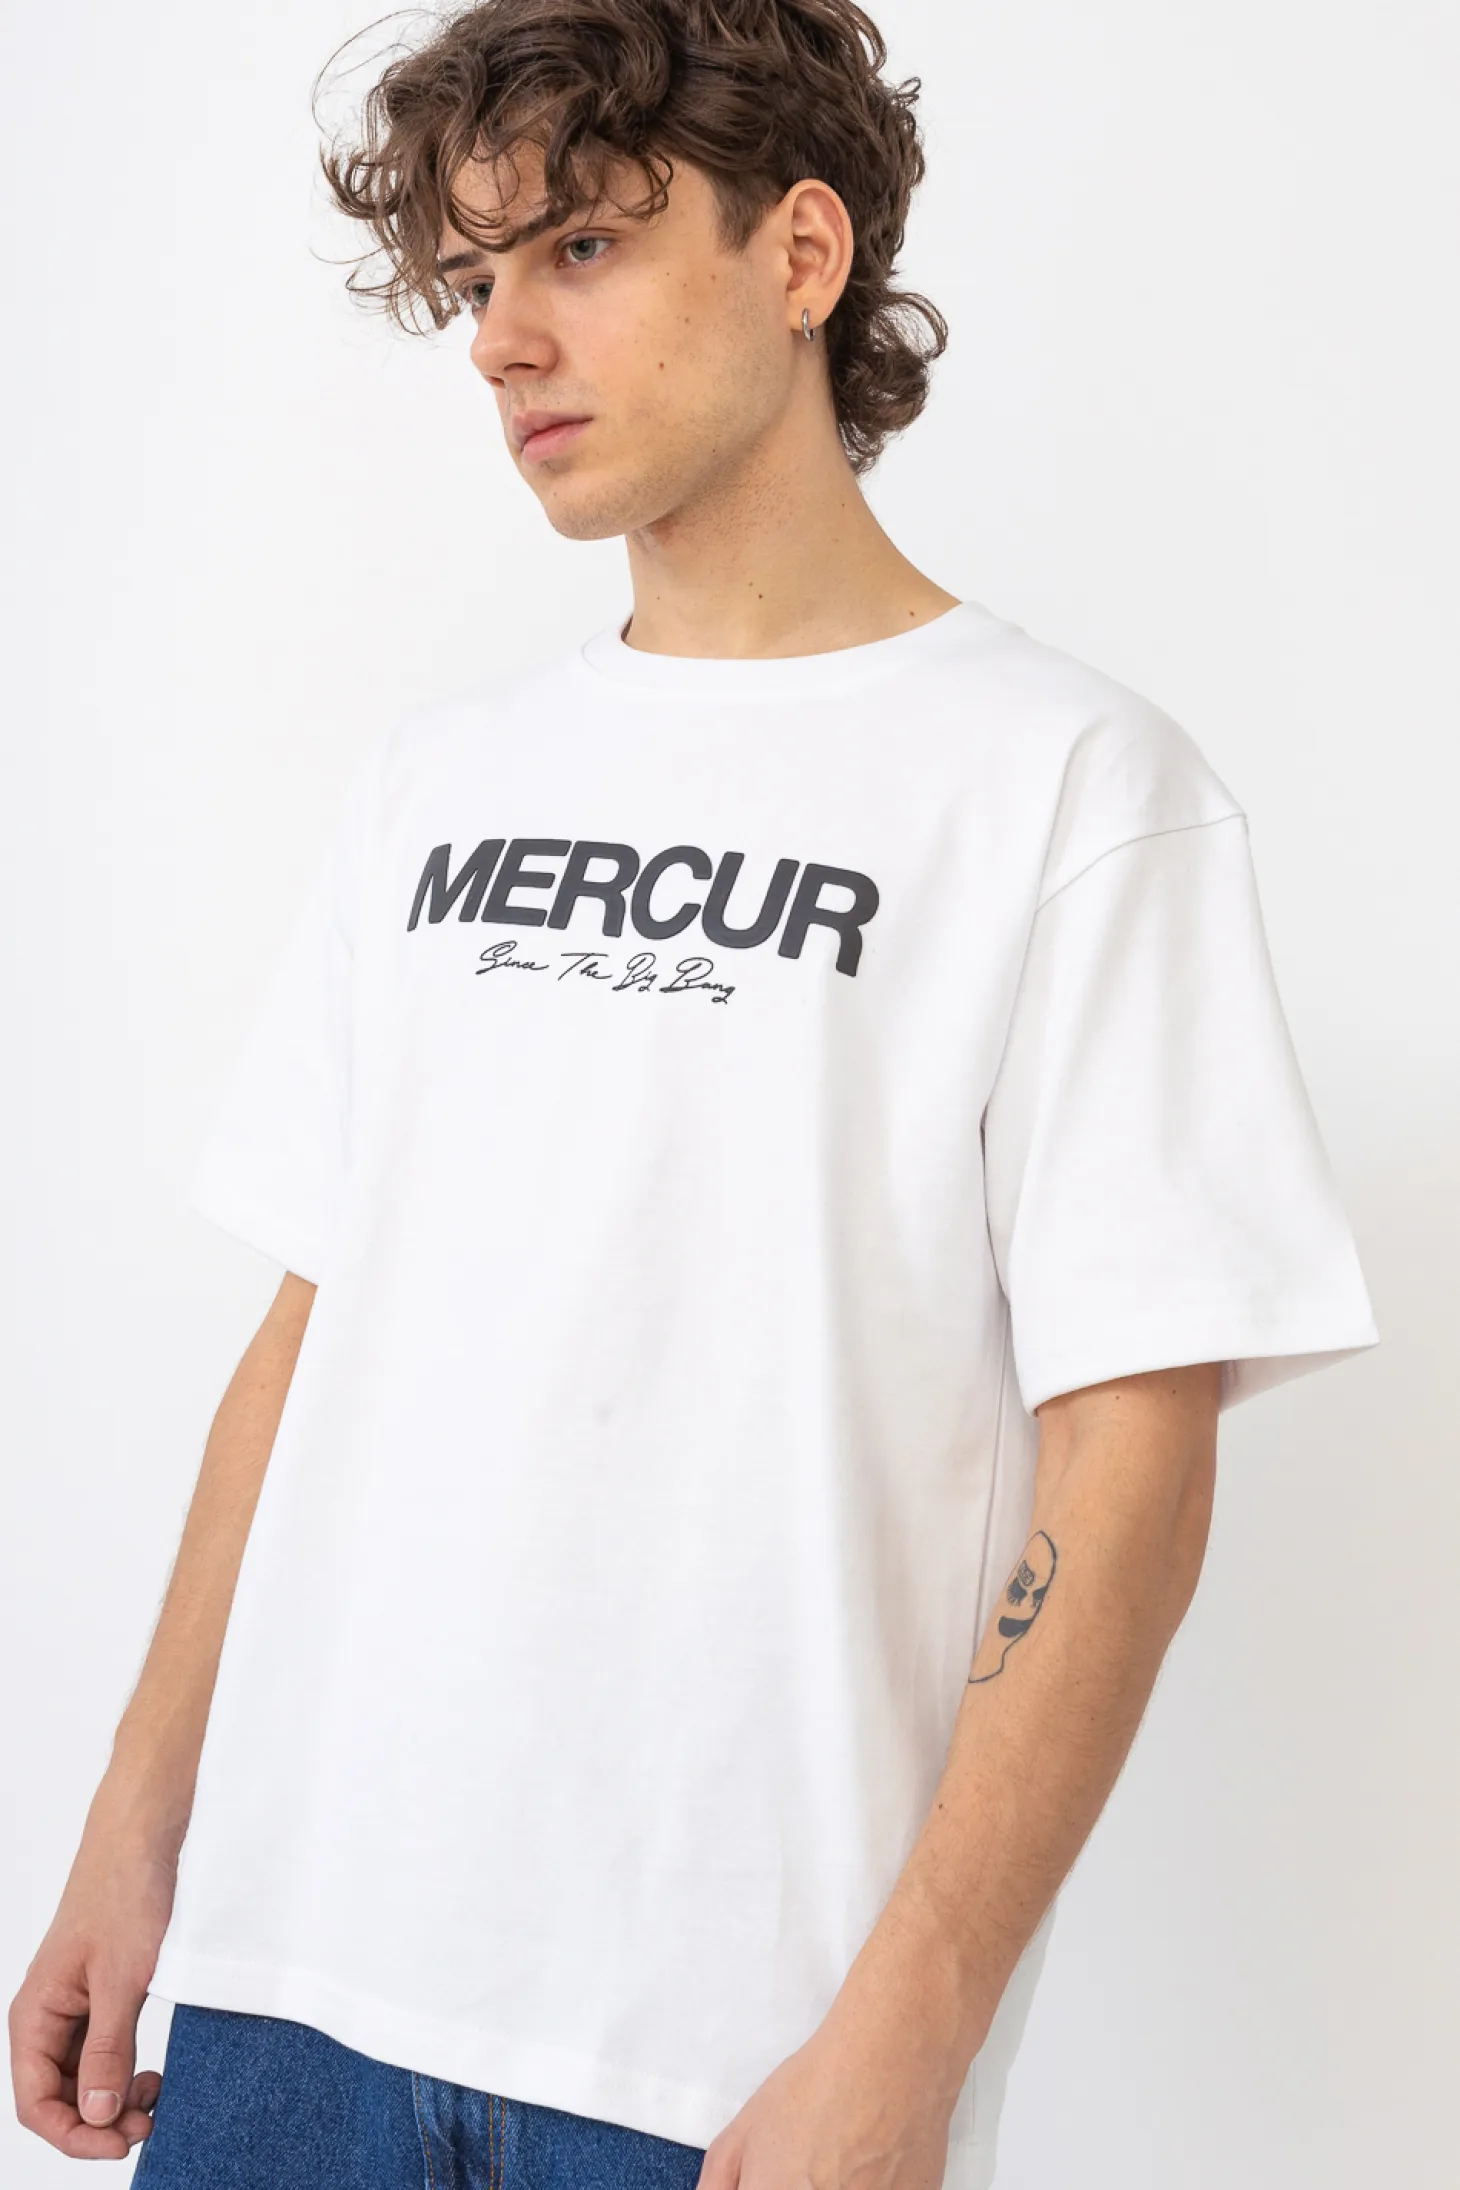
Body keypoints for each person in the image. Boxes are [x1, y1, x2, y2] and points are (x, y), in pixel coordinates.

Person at [8, 2, 1379, 2185]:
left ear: (800, 252)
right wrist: (131, 1822)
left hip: (722, 2063)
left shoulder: (1070, 789)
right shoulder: (440, 783)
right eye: (477, 278)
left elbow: (1131, 1453)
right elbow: (308, 1338)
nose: (499, 341)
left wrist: (912, 2024)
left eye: (577, 249)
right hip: (289, 1995)